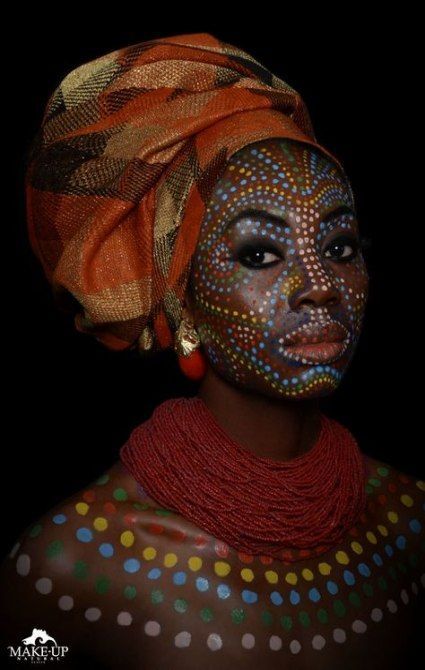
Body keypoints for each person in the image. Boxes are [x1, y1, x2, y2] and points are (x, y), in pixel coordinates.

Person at [1, 33, 423, 669]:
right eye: (259, 254)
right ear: (181, 301)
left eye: (340, 246)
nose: (319, 285)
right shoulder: (67, 571)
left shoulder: (411, 522)